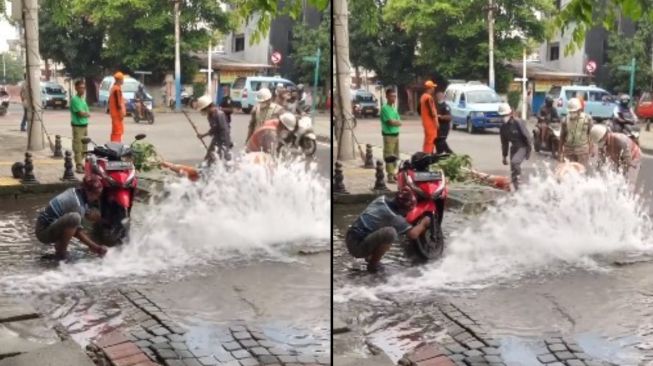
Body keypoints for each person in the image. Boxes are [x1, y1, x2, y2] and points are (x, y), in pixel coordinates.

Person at [345, 188, 431, 272]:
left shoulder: (381, 199)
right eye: (407, 211)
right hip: (357, 247)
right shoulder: (394, 217)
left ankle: (370, 256)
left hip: (351, 236)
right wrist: (424, 223)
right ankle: (373, 265)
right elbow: (413, 234)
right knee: (390, 233)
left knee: (380, 227)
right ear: (402, 209)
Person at [35, 176, 108, 260]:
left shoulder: (76, 192)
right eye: (97, 195)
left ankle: (59, 246)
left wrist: (102, 220)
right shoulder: (77, 204)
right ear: (89, 192)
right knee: (74, 218)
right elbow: (77, 232)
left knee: (74, 219)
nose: (97, 198)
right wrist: (96, 247)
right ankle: (61, 253)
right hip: (43, 232)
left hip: (47, 224)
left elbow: (88, 214)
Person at [499, 103, 532, 190]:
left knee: (515, 162)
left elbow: (527, 137)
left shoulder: (518, 122)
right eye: (502, 115)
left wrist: (529, 150)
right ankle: (516, 188)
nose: (504, 117)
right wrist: (504, 156)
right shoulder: (503, 127)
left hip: (522, 146)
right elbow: (504, 143)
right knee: (513, 169)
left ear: (510, 114)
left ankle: (519, 181)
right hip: (514, 148)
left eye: (505, 115)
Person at [195, 95, 232, 162]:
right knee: (209, 158)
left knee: (224, 159)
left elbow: (225, 130)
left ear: (208, 107)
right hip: (216, 139)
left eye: (204, 109)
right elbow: (213, 129)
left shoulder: (219, 114)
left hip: (223, 140)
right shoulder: (210, 116)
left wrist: (226, 144)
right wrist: (203, 135)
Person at [559, 97, 593, 169]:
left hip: (582, 150)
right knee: (569, 171)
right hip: (568, 150)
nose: (572, 113)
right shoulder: (565, 120)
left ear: (579, 110)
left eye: (574, 111)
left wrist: (591, 148)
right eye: (570, 112)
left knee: (581, 171)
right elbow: (562, 136)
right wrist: (560, 151)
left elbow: (591, 134)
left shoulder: (587, 119)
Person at [380, 88, 402, 183]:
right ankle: (390, 175)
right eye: (392, 96)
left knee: (396, 155)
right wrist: (396, 122)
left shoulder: (394, 108)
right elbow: (391, 122)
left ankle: (394, 173)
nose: (394, 98)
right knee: (389, 156)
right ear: (387, 97)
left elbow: (398, 121)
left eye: (395, 96)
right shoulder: (384, 108)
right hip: (388, 135)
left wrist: (396, 122)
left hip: (396, 134)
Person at [70, 80, 91, 173]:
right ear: (76, 88)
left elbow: (87, 112)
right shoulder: (74, 99)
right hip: (78, 126)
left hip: (84, 125)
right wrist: (86, 114)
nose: (82, 89)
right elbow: (81, 113)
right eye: (80, 87)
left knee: (84, 147)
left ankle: (81, 163)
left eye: (83, 87)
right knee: (78, 146)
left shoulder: (82, 99)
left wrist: (86, 113)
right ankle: (78, 165)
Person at [420, 80, 439, 154]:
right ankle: (428, 155)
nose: (434, 89)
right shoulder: (428, 98)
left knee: (427, 140)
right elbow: (432, 112)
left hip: (425, 122)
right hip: (430, 123)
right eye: (433, 87)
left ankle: (425, 153)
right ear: (430, 88)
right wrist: (436, 121)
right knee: (431, 140)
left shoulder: (423, 96)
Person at [108, 72, 126, 142]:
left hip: (114, 114)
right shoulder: (117, 89)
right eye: (122, 79)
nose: (123, 81)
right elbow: (118, 104)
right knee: (118, 131)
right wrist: (121, 114)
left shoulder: (113, 88)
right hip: (117, 114)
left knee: (115, 131)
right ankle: (116, 146)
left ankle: (114, 144)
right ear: (119, 80)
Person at [434, 90, 454, 154]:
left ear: (443, 97)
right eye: (438, 96)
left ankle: (449, 153)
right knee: (437, 142)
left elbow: (449, 117)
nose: (439, 97)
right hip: (437, 127)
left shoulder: (445, 106)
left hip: (444, 127)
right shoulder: (435, 105)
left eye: (440, 96)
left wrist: (441, 117)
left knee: (441, 142)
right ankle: (441, 154)